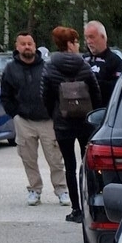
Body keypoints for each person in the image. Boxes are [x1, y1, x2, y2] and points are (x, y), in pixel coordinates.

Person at [0, 32, 69, 207]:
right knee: (28, 158)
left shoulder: (47, 67)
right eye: (23, 44)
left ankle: (61, 190)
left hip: (47, 120)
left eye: (30, 43)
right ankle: (34, 190)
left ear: (35, 45)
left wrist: (56, 114)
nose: (27, 47)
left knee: (55, 158)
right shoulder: (10, 69)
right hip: (24, 121)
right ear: (17, 47)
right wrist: (15, 115)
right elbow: (6, 96)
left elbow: (58, 91)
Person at [40, 26, 100, 223]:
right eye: (75, 41)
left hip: (62, 122)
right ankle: (91, 205)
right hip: (84, 121)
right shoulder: (84, 65)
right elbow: (95, 91)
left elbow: (45, 95)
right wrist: (93, 114)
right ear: (69, 44)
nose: (78, 45)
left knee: (69, 166)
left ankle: (76, 209)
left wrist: (54, 114)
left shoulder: (50, 66)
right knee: (88, 165)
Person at [83, 20, 122, 107]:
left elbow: (118, 87)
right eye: (86, 38)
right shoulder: (83, 60)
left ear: (103, 37)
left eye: (92, 37)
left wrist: (95, 84)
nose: (88, 41)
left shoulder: (115, 61)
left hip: (104, 110)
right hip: (83, 111)